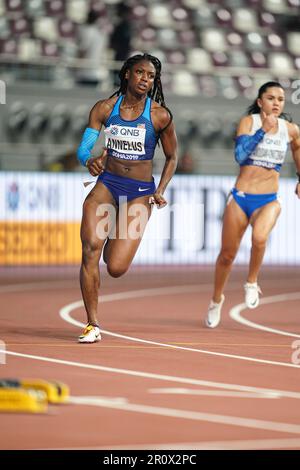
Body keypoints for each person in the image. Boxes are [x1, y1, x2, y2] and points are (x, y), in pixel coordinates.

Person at [76, 53, 178, 343]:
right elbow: (84, 148)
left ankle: (113, 237)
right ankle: (92, 324)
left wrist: (160, 190)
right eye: (140, 73)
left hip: (139, 194)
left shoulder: (160, 115)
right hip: (107, 186)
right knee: (89, 251)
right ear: (127, 74)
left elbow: (172, 157)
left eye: (151, 76)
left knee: (117, 268)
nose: (146, 80)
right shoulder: (105, 108)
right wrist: (89, 160)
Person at [205, 81, 300, 328]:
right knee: (227, 255)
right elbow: (240, 156)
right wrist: (262, 131)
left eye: (280, 99)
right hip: (241, 197)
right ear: (260, 102)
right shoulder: (250, 122)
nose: (276, 103)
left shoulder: (290, 129)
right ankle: (216, 300)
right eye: (271, 98)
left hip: (268, 200)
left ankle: (251, 282)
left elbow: (298, 149)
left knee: (259, 238)